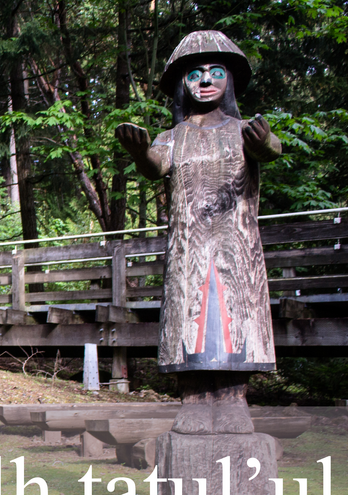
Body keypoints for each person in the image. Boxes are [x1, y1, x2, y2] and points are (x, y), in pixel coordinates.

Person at [115, 31, 281, 434]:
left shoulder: (241, 130)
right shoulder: (174, 136)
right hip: (189, 245)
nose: (205, 81)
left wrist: (263, 140)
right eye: (195, 74)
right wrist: (141, 153)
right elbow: (156, 165)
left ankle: (232, 399)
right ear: (182, 84)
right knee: (189, 313)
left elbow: (270, 149)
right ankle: (193, 398)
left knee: (234, 315)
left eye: (216, 72)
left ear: (230, 81)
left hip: (234, 244)